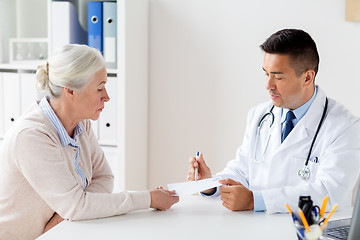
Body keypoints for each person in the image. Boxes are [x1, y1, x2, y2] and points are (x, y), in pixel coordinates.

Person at [0, 44, 179, 240]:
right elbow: (77, 206)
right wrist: (149, 199)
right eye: (99, 88)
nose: (107, 97)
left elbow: (104, 178)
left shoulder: (80, 123)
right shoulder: (31, 136)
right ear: (70, 91)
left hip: (60, 234)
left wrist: (67, 214)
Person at [187, 29, 360, 213]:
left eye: (278, 77)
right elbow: (242, 170)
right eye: (266, 74)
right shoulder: (260, 115)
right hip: (257, 228)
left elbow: (330, 193)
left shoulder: (345, 127)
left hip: (309, 231)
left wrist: (256, 200)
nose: (268, 85)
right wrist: (210, 184)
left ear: (307, 77)